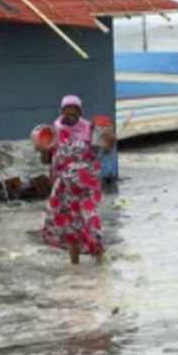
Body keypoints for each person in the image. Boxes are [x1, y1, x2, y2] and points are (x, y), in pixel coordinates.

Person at [37, 95, 116, 265]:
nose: (70, 113)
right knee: (69, 226)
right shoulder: (53, 132)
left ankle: (101, 259)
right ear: (61, 111)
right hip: (64, 187)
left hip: (86, 185)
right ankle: (75, 267)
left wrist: (111, 144)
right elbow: (46, 160)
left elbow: (103, 152)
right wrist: (43, 150)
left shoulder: (91, 130)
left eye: (74, 110)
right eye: (67, 110)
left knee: (90, 219)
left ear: (80, 112)